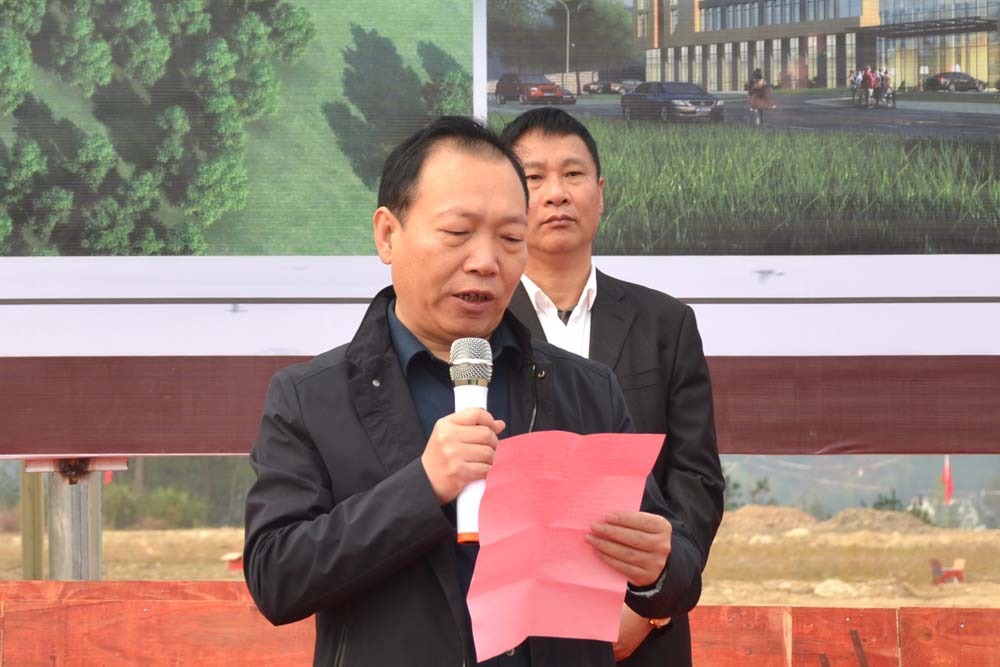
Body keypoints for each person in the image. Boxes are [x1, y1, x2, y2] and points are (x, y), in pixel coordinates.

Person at [243, 116, 702, 666]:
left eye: (510, 238)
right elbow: (276, 578)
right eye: (458, 233)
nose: (486, 262)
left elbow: (675, 564)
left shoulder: (585, 389)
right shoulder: (310, 398)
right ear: (388, 234)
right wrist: (422, 486)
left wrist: (657, 569)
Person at [499, 108, 724, 667]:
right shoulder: (479, 326)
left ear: (600, 193)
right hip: (511, 631)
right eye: (534, 177)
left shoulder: (665, 324)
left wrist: (651, 604)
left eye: (573, 174)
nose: (556, 193)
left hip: (640, 632)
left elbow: (694, 478)